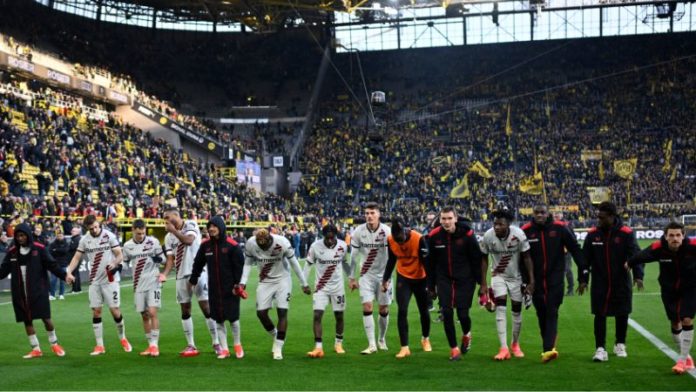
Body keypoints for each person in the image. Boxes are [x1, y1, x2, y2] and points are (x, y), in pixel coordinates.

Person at [626, 221, 696, 374]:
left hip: (690, 289)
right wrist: (629, 263)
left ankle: (682, 360)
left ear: (683, 236)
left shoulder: (693, 246)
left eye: (678, 235)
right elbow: (642, 255)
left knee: (686, 319)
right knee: (675, 323)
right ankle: (687, 357)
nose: (675, 238)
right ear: (665, 236)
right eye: (671, 235)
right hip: (668, 290)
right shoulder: (659, 248)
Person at [522, 204, 587, 363]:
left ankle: (547, 349)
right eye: (537, 212)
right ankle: (549, 346)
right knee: (541, 313)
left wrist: (583, 276)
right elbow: (521, 258)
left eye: (542, 212)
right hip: (535, 282)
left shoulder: (560, 228)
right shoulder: (526, 230)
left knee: (552, 311)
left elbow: (576, 250)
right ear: (533, 213)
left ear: (548, 213)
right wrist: (525, 282)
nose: (539, 215)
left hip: (555, 279)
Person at [580, 201, 642, 362]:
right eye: (598, 217)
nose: (598, 220)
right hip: (600, 282)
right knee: (599, 314)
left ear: (612, 216)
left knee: (622, 313)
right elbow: (584, 259)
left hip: (621, 281)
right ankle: (600, 349)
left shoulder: (626, 233)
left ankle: (620, 343)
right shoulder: (593, 234)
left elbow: (636, 255)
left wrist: (638, 275)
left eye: (602, 217)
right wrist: (583, 279)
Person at [239, 228, 310, 360]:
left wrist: (303, 283)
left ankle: (278, 346)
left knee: (282, 312)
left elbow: (294, 263)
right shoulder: (251, 243)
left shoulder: (282, 242)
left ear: (270, 239)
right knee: (261, 313)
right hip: (264, 281)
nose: (263, 248)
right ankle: (276, 335)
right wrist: (243, 282)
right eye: (261, 246)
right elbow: (248, 263)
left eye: (265, 245)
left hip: (282, 279)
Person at [66, 214, 132, 355]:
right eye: (92, 228)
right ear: (87, 228)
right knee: (96, 311)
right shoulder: (85, 240)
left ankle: (123, 338)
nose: (95, 230)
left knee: (114, 310)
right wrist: (69, 271)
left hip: (110, 279)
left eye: (96, 227)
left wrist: (114, 263)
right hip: (94, 281)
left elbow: (120, 254)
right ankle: (99, 345)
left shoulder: (109, 236)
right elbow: (77, 257)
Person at [0, 223, 67, 358]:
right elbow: (2, 271)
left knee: (46, 318)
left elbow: (52, 265)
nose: (20, 238)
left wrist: (65, 276)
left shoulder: (39, 249)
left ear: (28, 235)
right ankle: (36, 348)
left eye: (22, 235)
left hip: (38, 291)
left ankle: (55, 344)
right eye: (18, 236)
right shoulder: (12, 252)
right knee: (27, 320)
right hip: (20, 293)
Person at [426, 206, 483, 361]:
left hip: (465, 279)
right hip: (444, 279)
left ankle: (466, 335)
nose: (446, 222)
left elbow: (477, 260)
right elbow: (429, 263)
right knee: (447, 312)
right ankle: (454, 349)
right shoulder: (434, 236)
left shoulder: (468, 235)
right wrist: (431, 286)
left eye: (449, 218)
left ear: (456, 219)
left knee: (463, 315)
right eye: (443, 218)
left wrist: (482, 285)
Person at [161, 207, 219, 357]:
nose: (165, 221)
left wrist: (173, 230)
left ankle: (216, 342)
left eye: (167, 217)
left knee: (206, 307)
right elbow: (170, 259)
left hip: (198, 272)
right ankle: (191, 345)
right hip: (180, 275)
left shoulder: (190, 225)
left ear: (176, 215)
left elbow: (188, 240)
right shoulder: (168, 238)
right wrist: (164, 274)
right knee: (185, 310)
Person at [479, 209, 535, 360]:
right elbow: (483, 259)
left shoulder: (518, 235)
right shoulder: (488, 236)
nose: (497, 227)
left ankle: (515, 344)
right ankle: (503, 348)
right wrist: (483, 283)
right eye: (495, 224)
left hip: (516, 277)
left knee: (516, 311)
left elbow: (527, 257)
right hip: (498, 276)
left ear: (508, 225)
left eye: (500, 224)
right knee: (500, 308)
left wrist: (531, 281)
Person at [190, 216, 246, 360]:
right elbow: (198, 263)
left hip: (231, 289)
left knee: (233, 319)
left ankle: (238, 345)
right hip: (214, 289)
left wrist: (238, 285)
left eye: (214, 226)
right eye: (209, 226)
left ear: (221, 227)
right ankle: (225, 349)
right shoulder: (205, 246)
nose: (211, 229)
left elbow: (240, 267)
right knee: (218, 320)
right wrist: (193, 278)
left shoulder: (232, 245)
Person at [382, 217, 431, 359]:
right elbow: (391, 260)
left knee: (424, 310)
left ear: (406, 230)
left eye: (401, 238)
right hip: (403, 277)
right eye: (397, 239)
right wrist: (385, 279)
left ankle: (425, 338)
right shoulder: (391, 240)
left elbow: (427, 263)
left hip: (420, 278)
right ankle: (404, 347)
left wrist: (430, 285)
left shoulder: (419, 239)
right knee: (402, 310)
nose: (400, 242)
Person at [348, 202, 392, 354]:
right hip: (366, 274)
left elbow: (393, 256)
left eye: (372, 213)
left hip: (383, 275)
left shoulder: (387, 231)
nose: (369, 216)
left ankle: (381, 338)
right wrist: (352, 278)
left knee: (383, 309)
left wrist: (387, 279)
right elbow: (353, 257)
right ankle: (372, 344)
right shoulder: (358, 232)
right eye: (367, 213)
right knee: (367, 306)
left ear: (379, 214)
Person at [303, 223, 350, 358]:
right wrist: (304, 283)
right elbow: (308, 264)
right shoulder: (315, 246)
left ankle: (338, 344)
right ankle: (318, 348)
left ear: (335, 236)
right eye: (327, 238)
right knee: (317, 315)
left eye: (332, 238)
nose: (329, 240)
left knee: (339, 316)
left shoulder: (342, 246)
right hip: (321, 287)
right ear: (323, 236)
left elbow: (345, 262)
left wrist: (351, 278)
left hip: (338, 287)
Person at [122, 219, 166, 357]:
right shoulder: (127, 246)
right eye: (138, 233)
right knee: (144, 314)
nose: (141, 235)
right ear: (133, 230)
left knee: (152, 312)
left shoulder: (153, 242)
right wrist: (118, 267)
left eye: (143, 233)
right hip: (138, 283)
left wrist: (159, 260)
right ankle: (150, 345)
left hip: (153, 280)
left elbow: (164, 259)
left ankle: (155, 346)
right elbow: (125, 262)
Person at [553, 212, 575, 296]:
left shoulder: (566, 225)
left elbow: (572, 238)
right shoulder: (553, 225)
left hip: (566, 252)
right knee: (561, 271)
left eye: (557, 214)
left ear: (562, 215)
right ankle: (564, 289)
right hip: (557, 252)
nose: (556, 216)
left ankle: (570, 289)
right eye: (555, 214)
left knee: (566, 270)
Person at [48, 229, 70, 300]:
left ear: (63, 236)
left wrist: (56, 250)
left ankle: (61, 294)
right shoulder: (52, 244)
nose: (59, 237)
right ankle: (52, 294)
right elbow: (50, 252)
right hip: (54, 264)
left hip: (63, 264)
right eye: (58, 236)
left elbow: (65, 251)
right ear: (56, 236)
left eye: (60, 236)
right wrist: (59, 250)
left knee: (62, 280)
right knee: (53, 280)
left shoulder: (66, 243)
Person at [68, 226, 83, 294]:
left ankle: (75, 289)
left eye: (73, 231)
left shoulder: (76, 239)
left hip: (75, 258)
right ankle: (78, 288)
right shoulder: (76, 238)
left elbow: (72, 247)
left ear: (77, 232)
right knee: (76, 273)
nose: (72, 232)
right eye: (72, 231)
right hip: (77, 258)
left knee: (74, 273)